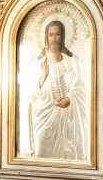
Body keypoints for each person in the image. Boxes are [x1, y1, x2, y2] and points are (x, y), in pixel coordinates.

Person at [25, 21, 90, 161]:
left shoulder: (73, 63)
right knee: (41, 150)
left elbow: (82, 90)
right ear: (46, 37)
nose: (54, 38)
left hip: (68, 120)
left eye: (57, 34)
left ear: (62, 37)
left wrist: (70, 98)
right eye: (51, 35)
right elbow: (30, 96)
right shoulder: (37, 65)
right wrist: (44, 76)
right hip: (44, 118)